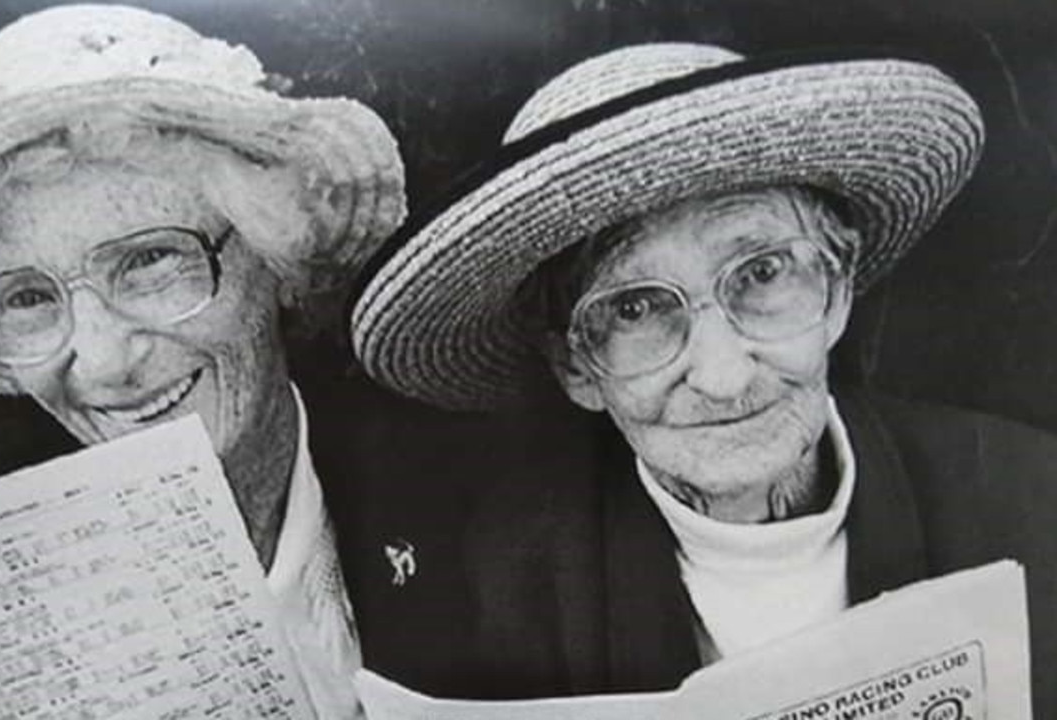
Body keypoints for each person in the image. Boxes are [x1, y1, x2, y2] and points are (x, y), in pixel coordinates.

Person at [351, 43, 1057, 712]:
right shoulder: (494, 589)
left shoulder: (1027, 498)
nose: (722, 378)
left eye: (762, 272)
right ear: (575, 366)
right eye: (633, 309)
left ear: (838, 290)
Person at [0, 5, 411, 718]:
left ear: (274, 255)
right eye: (27, 298)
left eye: (148, 260)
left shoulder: (492, 509)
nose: (106, 363)